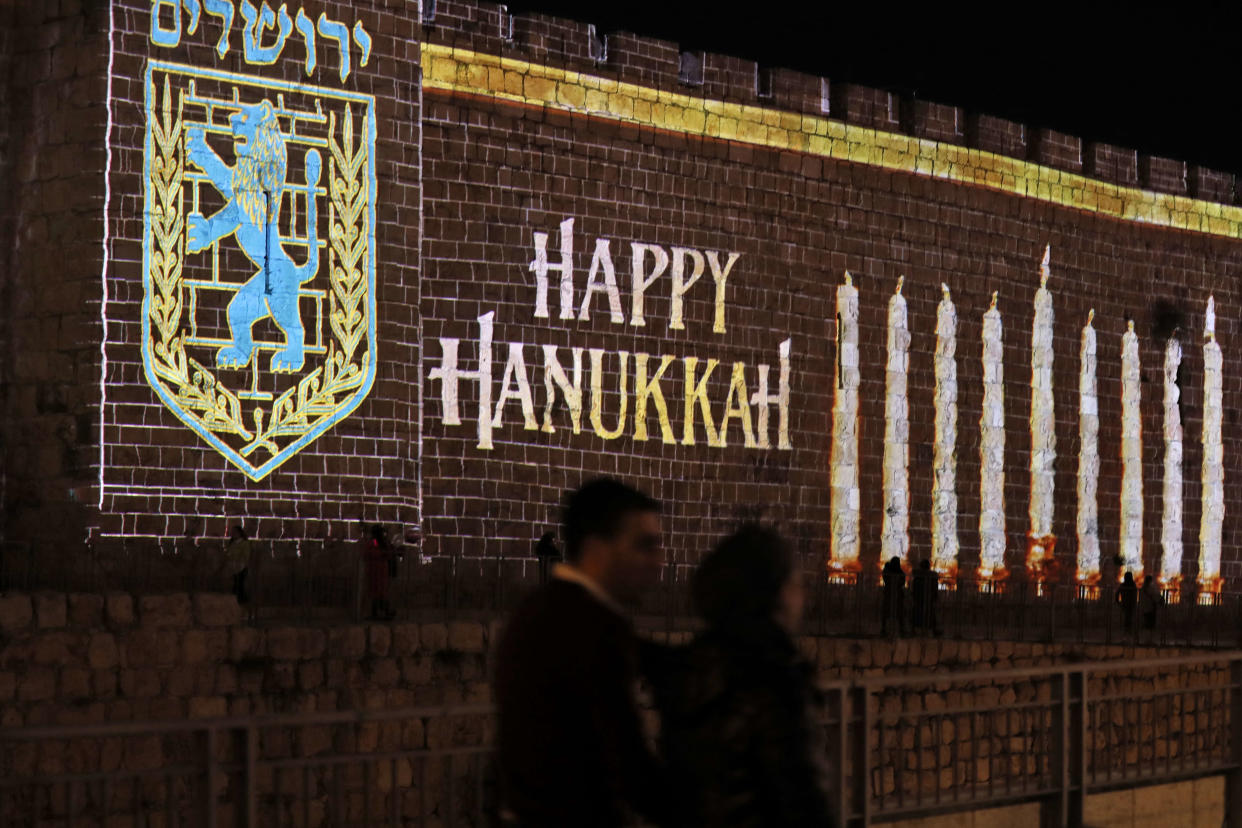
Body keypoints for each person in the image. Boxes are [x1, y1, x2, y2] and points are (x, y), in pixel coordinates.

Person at [495, 478, 668, 827]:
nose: (658, 561)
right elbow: (626, 761)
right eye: (645, 546)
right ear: (597, 549)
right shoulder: (593, 628)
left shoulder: (539, 608)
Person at [651, 525, 835, 828]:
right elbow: (803, 799)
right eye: (796, 583)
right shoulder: (777, 677)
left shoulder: (690, 667)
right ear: (775, 593)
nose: (802, 596)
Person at [362, 524, 395, 621]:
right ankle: (377, 613)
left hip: (381, 572)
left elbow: (388, 552)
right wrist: (382, 553)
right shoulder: (375, 542)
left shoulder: (382, 542)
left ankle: (384, 612)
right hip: (375, 571)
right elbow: (371, 552)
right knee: (375, 593)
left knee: (381, 593)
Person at [911, 559, 939, 635]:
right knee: (930, 614)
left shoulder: (917, 576)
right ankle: (933, 630)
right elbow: (934, 588)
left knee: (917, 613)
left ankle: (913, 629)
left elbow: (914, 587)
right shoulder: (932, 576)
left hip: (920, 598)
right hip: (928, 598)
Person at [881, 556, 906, 637]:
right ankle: (885, 628)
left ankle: (888, 628)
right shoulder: (890, 570)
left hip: (893, 594)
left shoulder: (896, 570)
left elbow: (902, 580)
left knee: (896, 612)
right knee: (889, 611)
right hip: (892, 594)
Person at [226, 525, 251, 604]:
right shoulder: (232, 543)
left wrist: (240, 561)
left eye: (235, 532)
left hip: (241, 567)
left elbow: (246, 555)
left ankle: (241, 601)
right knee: (235, 584)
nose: (233, 534)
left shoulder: (244, 543)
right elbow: (229, 553)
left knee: (239, 584)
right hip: (232, 566)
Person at [1117, 571, 1138, 636]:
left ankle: (1126, 631)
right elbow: (1135, 594)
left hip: (1125, 603)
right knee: (1129, 617)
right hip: (1131, 604)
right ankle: (1129, 631)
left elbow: (1117, 593)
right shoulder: (1133, 585)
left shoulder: (1122, 585)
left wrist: (1117, 601)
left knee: (1127, 617)